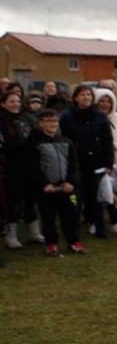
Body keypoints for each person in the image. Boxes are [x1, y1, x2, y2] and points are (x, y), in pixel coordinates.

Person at [59, 85, 114, 238]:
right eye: (82, 95)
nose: (86, 97)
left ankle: (98, 227)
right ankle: (73, 230)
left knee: (96, 198)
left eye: (89, 95)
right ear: (75, 97)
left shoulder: (99, 117)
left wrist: (108, 163)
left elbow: (107, 141)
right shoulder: (67, 116)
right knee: (76, 198)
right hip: (76, 164)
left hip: (96, 163)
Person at [30, 109, 86, 256]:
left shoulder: (67, 141)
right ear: (41, 123)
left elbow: (74, 164)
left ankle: (73, 242)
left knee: (70, 216)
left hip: (65, 187)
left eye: (54, 121)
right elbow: (34, 166)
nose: (52, 124)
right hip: (48, 188)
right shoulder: (35, 143)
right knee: (48, 218)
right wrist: (44, 184)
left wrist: (70, 181)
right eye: (48, 121)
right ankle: (51, 243)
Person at [2, 90, 43, 248]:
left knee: (31, 199)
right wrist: (25, 143)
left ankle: (34, 232)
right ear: (3, 103)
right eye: (12, 101)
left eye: (18, 101)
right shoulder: (3, 121)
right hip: (10, 167)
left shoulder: (22, 119)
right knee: (13, 202)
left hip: (27, 165)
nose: (16, 104)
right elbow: (6, 145)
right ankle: (11, 235)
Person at [94, 88, 117, 236]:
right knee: (97, 194)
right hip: (96, 162)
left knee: (116, 193)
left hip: (116, 160)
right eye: (101, 101)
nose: (105, 104)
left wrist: (116, 144)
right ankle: (95, 222)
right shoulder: (92, 118)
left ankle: (116, 222)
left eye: (108, 101)